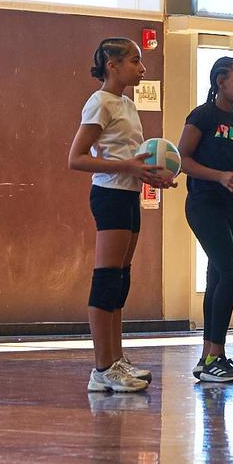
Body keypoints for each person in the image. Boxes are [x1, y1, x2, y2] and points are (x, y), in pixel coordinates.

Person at [69, 38, 174, 393]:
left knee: (121, 279)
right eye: (134, 60)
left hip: (128, 194)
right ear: (112, 65)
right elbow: (77, 158)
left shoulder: (127, 103)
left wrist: (149, 174)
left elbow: (133, 157)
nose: (142, 68)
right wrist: (127, 166)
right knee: (106, 278)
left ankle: (116, 359)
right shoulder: (99, 102)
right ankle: (101, 369)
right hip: (109, 195)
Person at [176, 56, 233, 383]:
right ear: (220, 82)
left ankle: (209, 358)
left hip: (230, 205)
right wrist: (219, 176)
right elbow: (181, 159)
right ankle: (215, 355)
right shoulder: (202, 115)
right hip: (203, 204)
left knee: (217, 277)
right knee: (232, 272)